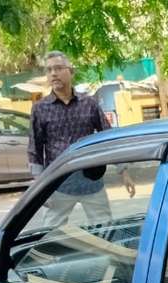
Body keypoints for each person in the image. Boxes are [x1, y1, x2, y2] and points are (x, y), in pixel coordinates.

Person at [28, 51, 134, 227]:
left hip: (91, 181)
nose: (53, 74)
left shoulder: (89, 103)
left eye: (58, 68)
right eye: (49, 70)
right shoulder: (40, 109)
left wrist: (123, 171)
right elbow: (35, 148)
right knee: (51, 233)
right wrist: (39, 186)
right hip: (59, 184)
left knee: (104, 229)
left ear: (71, 71)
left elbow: (108, 136)